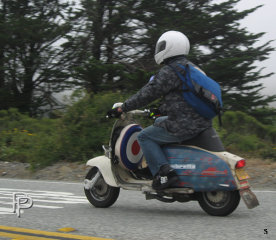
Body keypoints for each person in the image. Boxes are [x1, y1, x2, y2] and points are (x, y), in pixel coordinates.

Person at [111, 30, 212, 190]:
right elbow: (183, 99)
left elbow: (147, 94)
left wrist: (123, 107)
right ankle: (159, 163)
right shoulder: (193, 69)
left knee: (144, 137)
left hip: (184, 124)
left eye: (161, 46)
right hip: (201, 122)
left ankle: (164, 173)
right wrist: (159, 110)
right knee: (158, 121)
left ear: (169, 47)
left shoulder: (171, 70)